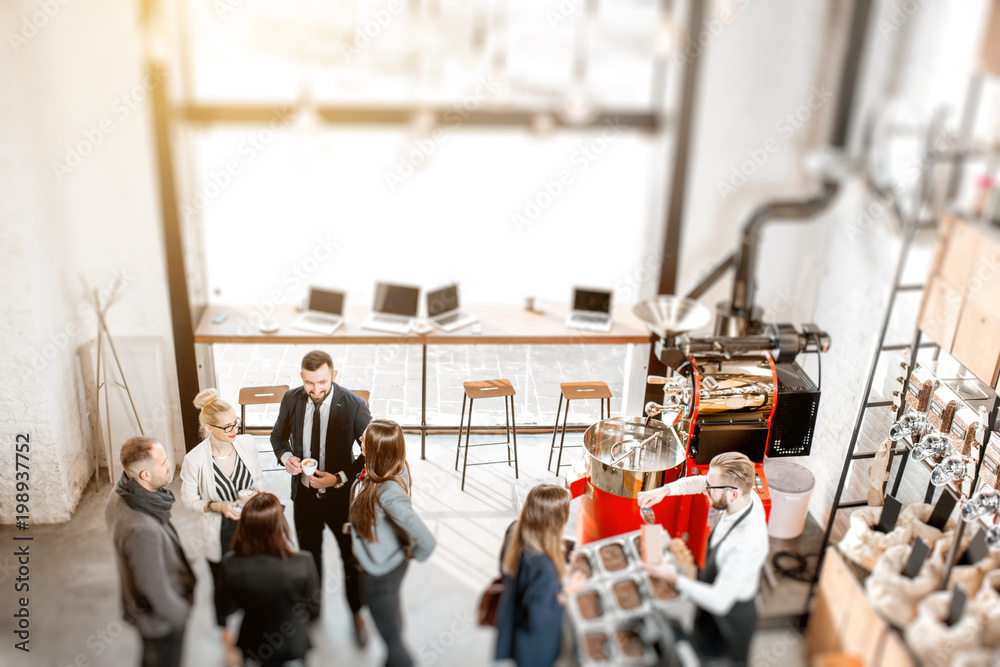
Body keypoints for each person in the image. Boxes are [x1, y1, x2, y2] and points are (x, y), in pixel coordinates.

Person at [271, 349, 372, 645]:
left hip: (342, 500)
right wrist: (285, 456)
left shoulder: (354, 406)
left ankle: (357, 613)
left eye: (322, 383)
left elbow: (371, 454)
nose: (315, 391)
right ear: (301, 377)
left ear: (334, 376)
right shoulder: (291, 399)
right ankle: (313, 611)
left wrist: (338, 478)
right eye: (309, 383)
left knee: (350, 558)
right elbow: (277, 437)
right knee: (309, 556)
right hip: (303, 497)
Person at [637, 451, 769, 666]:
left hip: (729, 617)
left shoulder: (745, 543)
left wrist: (674, 579)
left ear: (732, 494)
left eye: (711, 489)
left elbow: (719, 601)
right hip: (712, 593)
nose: (705, 490)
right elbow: (703, 483)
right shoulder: (744, 494)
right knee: (700, 645)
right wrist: (665, 490)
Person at [348, 419, 436, 667]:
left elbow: (426, 541)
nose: (360, 440)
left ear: (377, 449)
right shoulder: (391, 465)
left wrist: (410, 554)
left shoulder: (389, 493)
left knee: (391, 637)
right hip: (387, 563)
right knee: (392, 618)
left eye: (364, 438)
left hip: (381, 570)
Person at [105, 436, 196, 667]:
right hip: (160, 623)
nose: (170, 464)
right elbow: (155, 590)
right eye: (163, 462)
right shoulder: (142, 531)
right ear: (145, 475)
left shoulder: (119, 492)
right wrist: (181, 614)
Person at [180, 388, 262, 629]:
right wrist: (217, 505)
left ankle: (251, 619)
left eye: (235, 423)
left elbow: (258, 479)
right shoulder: (194, 460)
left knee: (253, 575)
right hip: (220, 529)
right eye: (227, 427)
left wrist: (255, 495)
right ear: (208, 428)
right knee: (223, 581)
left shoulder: (246, 443)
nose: (235, 430)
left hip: (250, 523)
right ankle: (225, 629)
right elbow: (188, 500)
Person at [222, 492, 320, 667]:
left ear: (244, 526)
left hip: (253, 641)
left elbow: (225, 607)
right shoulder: (303, 562)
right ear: (281, 525)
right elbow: (313, 608)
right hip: (293, 641)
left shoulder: (231, 564)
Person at [494, 484, 584, 667]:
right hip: (534, 647)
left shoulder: (515, 530)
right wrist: (567, 592)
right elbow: (540, 619)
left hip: (514, 625)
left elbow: (504, 568)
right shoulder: (545, 569)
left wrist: (561, 551)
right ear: (557, 521)